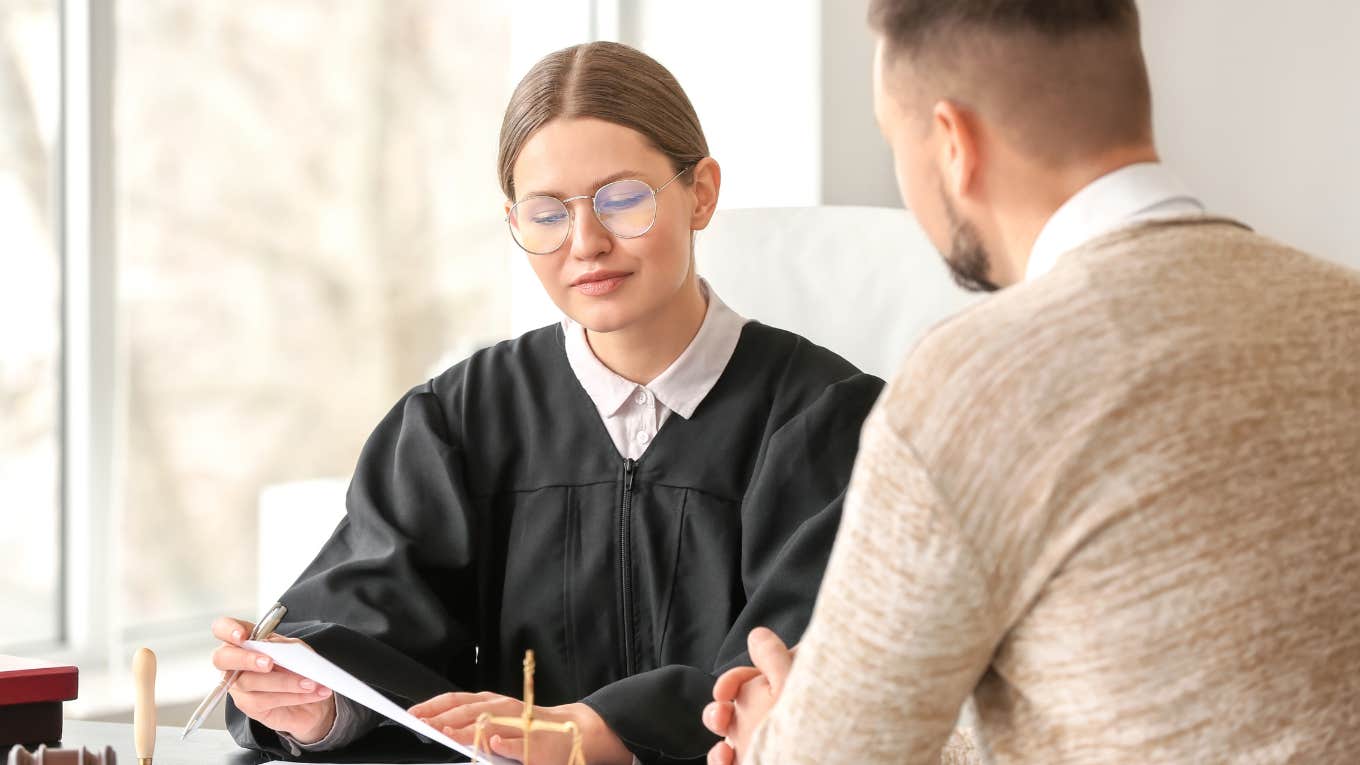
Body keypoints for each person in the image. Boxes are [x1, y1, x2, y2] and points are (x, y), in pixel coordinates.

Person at [703, 1, 1360, 762]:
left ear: (952, 142)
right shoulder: (1344, 310)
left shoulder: (970, 385)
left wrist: (775, 733)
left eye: (895, 138)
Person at [206, 41, 884, 765]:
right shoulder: (460, 420)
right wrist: (315, 699)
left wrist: (604, 728)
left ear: (702, 193)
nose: (586, 242)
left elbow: (809, 672)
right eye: (547, 213)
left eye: (624, 199)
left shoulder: (828, 421)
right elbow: (362, 624)